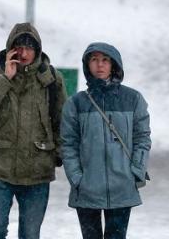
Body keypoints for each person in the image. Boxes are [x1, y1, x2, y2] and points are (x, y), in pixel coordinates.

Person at [0, 23, 66, 239]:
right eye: (19, 47)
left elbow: (62, 121)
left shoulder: (51, 79)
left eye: (29, 48)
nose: (23, 53)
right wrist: (5, 78)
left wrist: (60, 155)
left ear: (38, 50)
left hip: (37, 172)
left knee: (30, 235)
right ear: (10, 49)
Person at [61, 42, 152, 239]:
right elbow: (68, 144)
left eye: (105, 60)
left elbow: (142, 138)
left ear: (114, 65)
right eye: (94, 60)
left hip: (122, 187)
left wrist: (135, 171)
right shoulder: (75, 103)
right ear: (87, 64)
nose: (99, 65)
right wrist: (77, 178)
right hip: (87, 189)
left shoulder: (133, 99)